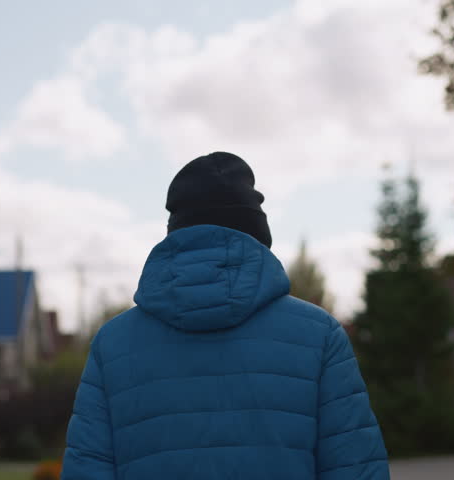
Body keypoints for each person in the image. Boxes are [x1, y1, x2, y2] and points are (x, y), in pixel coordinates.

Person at [61, 152, 389, 479]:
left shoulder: (112, 345)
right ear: (259, 235)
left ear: (174, 234)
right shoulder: (320, 335)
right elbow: (357, 470)